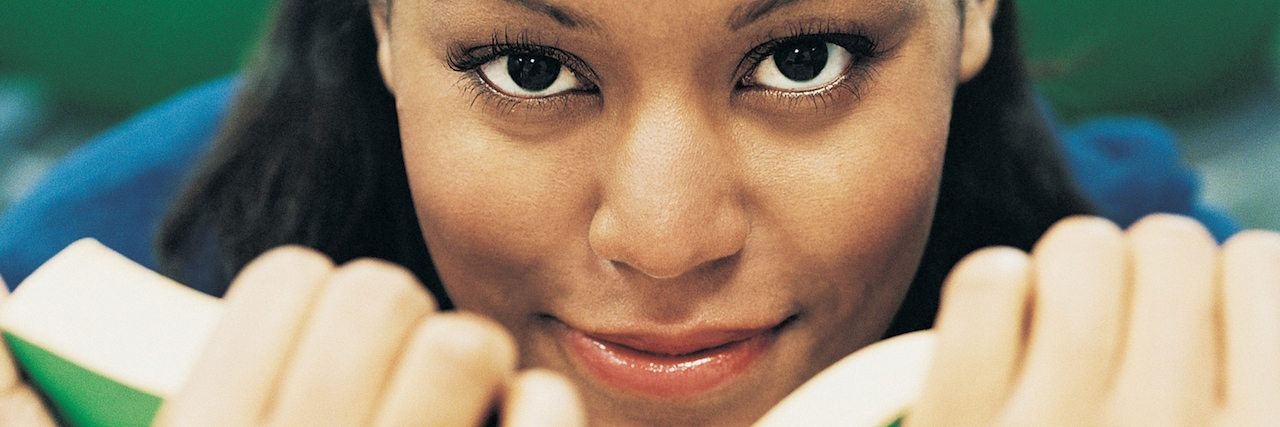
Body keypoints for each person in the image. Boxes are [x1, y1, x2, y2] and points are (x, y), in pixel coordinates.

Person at [1, 0, 1277, 425]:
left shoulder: (1168, 312)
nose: (665, 241)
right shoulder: (103, 269)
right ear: (382, 24)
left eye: (802, 59)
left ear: (970, 18)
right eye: (531, 69)